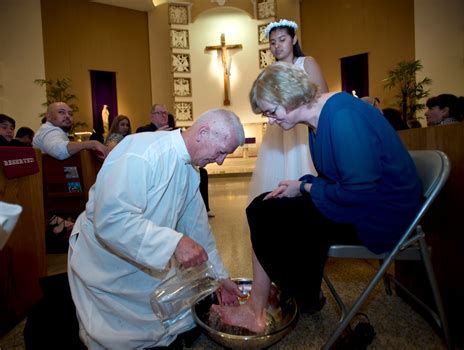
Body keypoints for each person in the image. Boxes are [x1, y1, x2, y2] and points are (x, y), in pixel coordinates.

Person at [211, 62, 421, 333]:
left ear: (290, 95)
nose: (271, 121)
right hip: (364, 202)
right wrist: (301, 185)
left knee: (273, 216)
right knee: (263, 205)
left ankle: (294, 295)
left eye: (272, 112)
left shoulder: (343, 115)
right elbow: (341, 178)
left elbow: (360, 193)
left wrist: (305, 188)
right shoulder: (317, 120)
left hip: (382, 215)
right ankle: (274, 300)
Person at [68, 108, 246, 349]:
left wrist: (220, 276)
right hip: (106, 260)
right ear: (203, 132)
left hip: (146, 252)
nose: (220, 160)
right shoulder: (140, 152)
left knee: (171, 318)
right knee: (118, 337)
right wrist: (173, 242)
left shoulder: (190, 170)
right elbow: (111, 219)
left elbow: (198, 230)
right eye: (222, 151)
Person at [248, 19, 329, 203]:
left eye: (282, 39)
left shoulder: (306, 63)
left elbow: (322, 96)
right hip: (280, 131)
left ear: (293, 40)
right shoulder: (270, 71)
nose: (277, 46)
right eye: (273, 42)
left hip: (304, 129)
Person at [32, 102, 108, 160]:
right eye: (61, 112)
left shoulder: (53, 130)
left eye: (70, 114)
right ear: (48, 116)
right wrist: (92, 143)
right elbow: (59, 151)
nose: (68, 116)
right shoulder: (50, 130)